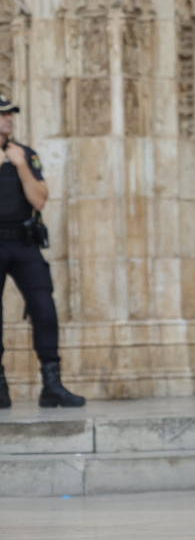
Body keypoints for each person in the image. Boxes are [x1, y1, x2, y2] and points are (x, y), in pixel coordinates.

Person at [0, 95, 84, 409]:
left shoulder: (25, 154)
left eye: (10, 114)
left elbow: (39, 200)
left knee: (44, 308)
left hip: (24, 242)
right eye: (2, 115)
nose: (8, 119)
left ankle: (52, 384)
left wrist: (20, 165)